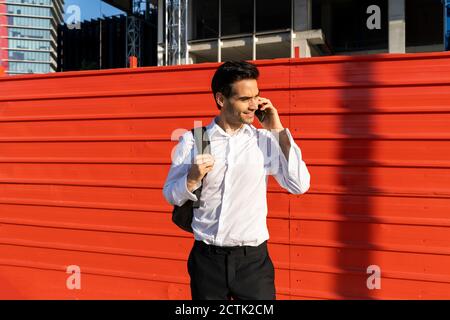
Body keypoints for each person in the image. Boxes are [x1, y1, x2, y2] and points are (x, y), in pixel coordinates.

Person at [163, 60, 310, 300]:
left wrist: (278, 129)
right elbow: (170, 194)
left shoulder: (264, 140)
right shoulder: (194, 140)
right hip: (207, 261)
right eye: (244, 99)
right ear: (221, 99)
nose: (254, 105)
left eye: (257, 97)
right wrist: (191, 179)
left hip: (253, 262)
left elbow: (299, 184)